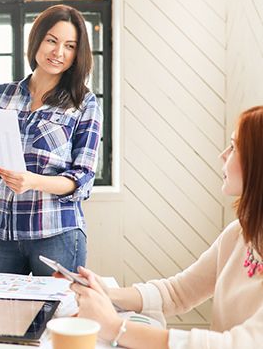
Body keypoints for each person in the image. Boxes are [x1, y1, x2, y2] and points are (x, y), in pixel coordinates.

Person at [66, 106, 263, 348]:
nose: (222, 155)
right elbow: (177, 293)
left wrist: (114, 327)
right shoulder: (238, 234)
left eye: (234, 147)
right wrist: (108, 293)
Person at [0, 4, 102, 276]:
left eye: (69, 46)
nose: (58, 52)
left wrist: (32, 181)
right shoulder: (2, 95)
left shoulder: (84, 103)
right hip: (5, 231)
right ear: (37, 40)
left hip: (57, 231)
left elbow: (82, 179)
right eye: (52, 41)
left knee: (52, 316)